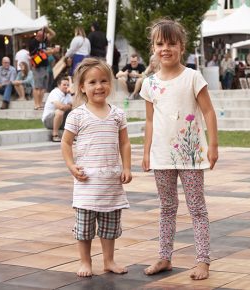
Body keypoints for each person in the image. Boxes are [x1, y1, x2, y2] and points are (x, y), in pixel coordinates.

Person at [140, 19, 218, 280]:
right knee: (167, 207)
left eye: (172, 43)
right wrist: (146, 151)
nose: (166, 48)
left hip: (191, 154)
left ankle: (203, 260)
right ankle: (164, 256)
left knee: (197, 208)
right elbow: (150, 120)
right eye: (160, 43)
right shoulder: (149, 84)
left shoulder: (193, 77)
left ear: (181, 46)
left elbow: (208, 111)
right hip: (161, 155)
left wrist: (213, 145)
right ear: (153, 47)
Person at [61, 58, 132, 277]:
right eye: (92, 82)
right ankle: (85, 261)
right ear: (82, 87)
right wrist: (71, 165)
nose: (99, 86)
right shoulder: (77, 115)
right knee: (84, 228)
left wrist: (127, 167)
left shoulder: (118, 114)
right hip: (87, 182)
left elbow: (124, 143)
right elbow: (65, 142)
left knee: (110, 226)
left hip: (111, 181)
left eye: (103, 81)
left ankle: (109, 260)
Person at [29, 26, 56, 110]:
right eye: (40, 32)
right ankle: (36, 104)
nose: (43, 35)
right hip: (37, 67)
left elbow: (53, 34)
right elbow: (36, 55)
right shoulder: (33, 43)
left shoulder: (44, 40)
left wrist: (47, 29)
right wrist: (50, 51)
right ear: (37, 35)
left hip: (45, 66)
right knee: (37, 87)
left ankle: (40, 104)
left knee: (43, 87)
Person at [42, 77, 73, 142]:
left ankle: (73, 135)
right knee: (59, 112)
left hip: (60, 120)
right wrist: (69, 106)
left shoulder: (68, 94)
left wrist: (72, 93)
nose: (66, 87)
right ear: (59, 85)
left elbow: (74, 106)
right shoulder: (55, 92)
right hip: (48, 121)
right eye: (64, 85)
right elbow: (60, 107)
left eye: (67, 85)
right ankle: (55, 135)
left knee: (75, 112)